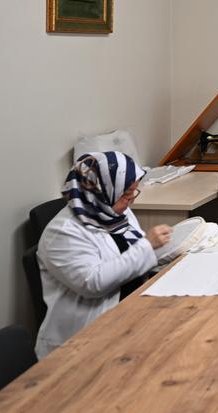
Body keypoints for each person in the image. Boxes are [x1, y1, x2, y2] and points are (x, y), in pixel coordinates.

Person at [35, 151, 172, 358]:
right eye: (126, 193)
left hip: (130, 314)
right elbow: (94, 283)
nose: (131, 200)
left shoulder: (113, 212)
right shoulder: (62, 232)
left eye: (133, 192)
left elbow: (132, 252)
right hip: (83, 342)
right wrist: (147, 246)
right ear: (100, 191)